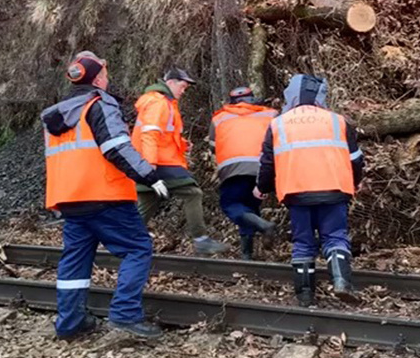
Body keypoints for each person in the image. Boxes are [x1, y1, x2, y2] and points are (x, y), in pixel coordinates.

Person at [42, 51, 170, 340]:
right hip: (105, 196)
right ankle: (125, 315)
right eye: (105, 73)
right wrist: (149, 176)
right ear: (98, 77)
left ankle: (70, 323)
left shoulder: (56, 115)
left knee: (75, 260)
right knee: (138, 248)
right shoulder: (99, 105)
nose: (107, 78)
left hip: (70, 200)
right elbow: (117, 148)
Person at [254, 75, 365, 307]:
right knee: (335, 237)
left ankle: (305, 295)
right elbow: (355, 159)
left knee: (303, 242)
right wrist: (356, 182)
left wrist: (262, 187)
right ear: (320, 95)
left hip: (296, 192)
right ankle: (342, 281)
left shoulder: (278, 124)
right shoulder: (338, 121)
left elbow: (267, 163)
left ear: (290, 96)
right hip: (334, 189)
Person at [132, 68, 230, 255]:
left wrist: (183, 144)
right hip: (158, 162)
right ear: (170, 83)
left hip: (152, 160)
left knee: (147, 203)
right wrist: (150, 166)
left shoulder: (162, 102)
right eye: (182, 86)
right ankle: (201, 240)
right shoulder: (159, 103)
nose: (183, 91)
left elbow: (163, 135)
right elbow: (150, 135)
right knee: (192, 193)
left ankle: (124, 241)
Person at [208, 86, 278, 260]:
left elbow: (213, 147)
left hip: (233, 169)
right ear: (253, 99)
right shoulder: (270, 115)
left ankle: (262, 226)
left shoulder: (219, 118)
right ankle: (247, 255)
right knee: (249, 208)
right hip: (263, 168)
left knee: (231, 204)